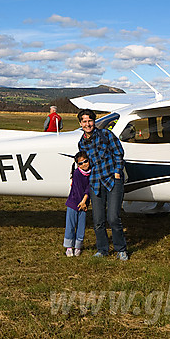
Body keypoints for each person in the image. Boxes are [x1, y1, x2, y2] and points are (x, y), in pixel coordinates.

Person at [77, 108, 129, 260]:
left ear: (94, 121)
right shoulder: (81, 143)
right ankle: (102, 249)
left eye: (90, 121)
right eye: (84, 121)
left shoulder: (106, 135)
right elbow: (85, 164)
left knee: (113, 217)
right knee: (98, 220)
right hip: (95, 183)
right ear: (80, 123)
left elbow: (118, 153)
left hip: (112, 180)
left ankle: (121, 249)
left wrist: (118, 171)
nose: (88, 124)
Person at [63, 151, 91, 257]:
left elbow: (89, 187)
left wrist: (84, 202)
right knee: (70, 225)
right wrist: (82, 202)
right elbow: (78, 189)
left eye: (86, 161)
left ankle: (78, 246)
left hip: (83, 203)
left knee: (81, 226)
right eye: (81, 163)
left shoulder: (91, 173)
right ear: (77, 164)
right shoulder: (77, 173)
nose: (84, 164)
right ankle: (69, 247)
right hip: (74, 202)